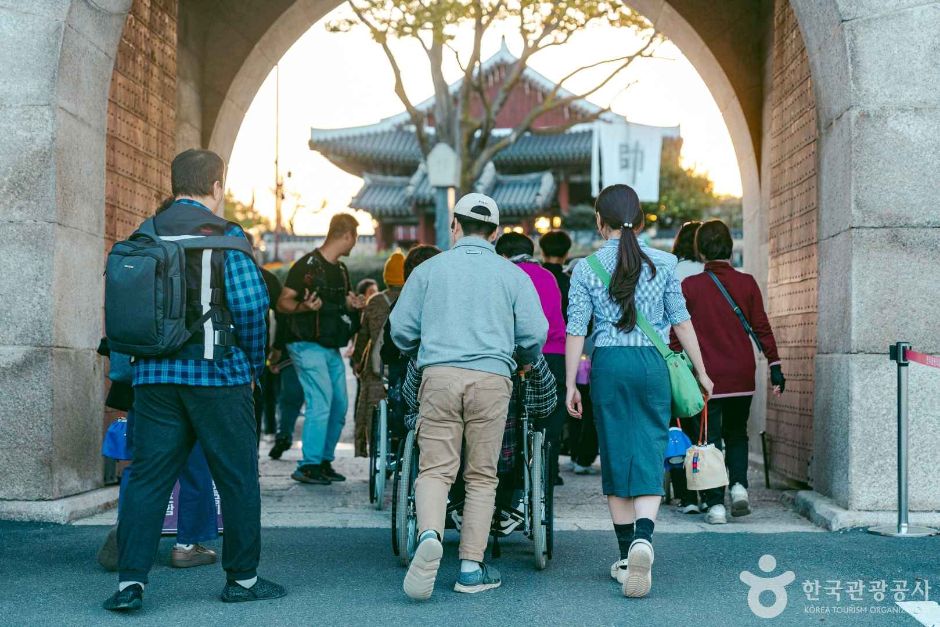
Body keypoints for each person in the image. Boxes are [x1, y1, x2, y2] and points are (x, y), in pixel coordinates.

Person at [103, 149, 284, 612]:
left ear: (174, 182)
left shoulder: (146, 233)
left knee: (147, 479)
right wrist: (252, 365)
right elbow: (249, 307)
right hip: (218, 376)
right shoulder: (227, 237)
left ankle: (131, 583)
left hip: (155, 378)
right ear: (217, 187)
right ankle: (242, 580)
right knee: (238, 477)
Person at [391, 193, 547, 600]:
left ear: (454, 226)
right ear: (495, 233)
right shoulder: (513, 276)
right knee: (481, 476)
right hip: (492, 379)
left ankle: (429, 534)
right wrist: (521, 358)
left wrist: (423, 351)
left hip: (439, 376)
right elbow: (534, 335)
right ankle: (471, 568)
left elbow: (400, 330)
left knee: (435, 471)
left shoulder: (428, 270)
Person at [565, 184, 712, 599]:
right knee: (649, 448)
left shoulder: (586, 267)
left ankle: (626, 555)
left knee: (615, 452)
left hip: (609, 365)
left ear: (600, 220)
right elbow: (681, 322)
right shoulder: (664, 263)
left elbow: (578, 327)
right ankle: (644, 539)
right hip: (653, 364)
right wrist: (701, 371)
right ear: (642, 220)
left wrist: (571, 381)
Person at [669, 219, 784, 524]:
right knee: (738, 434)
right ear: (730, 249)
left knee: (710, 439)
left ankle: (715, 503)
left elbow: (676, 333)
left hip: (707, 377)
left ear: (700, 250)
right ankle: (740, 488)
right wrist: (775, 365)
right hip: (741, 373)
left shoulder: (689, 287)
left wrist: (675, 362)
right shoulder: (747, 283)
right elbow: (762, 328)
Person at [277, 213, 365, 485]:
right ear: (347, 234)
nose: (354, 244)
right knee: (321, 400)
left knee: (339, 403)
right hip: (305, 343)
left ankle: (323, 460)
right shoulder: (307, 266)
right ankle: (309, 465)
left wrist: (352, 304)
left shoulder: (340, 270)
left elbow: (339, 306)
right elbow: (283, 302)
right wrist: (304, 307)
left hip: (329, 345)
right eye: (355, 238)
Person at [496, 232, 567, 486]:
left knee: (512, 414)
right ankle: (548, 470)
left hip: (518, 355)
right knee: (549, 416)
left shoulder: (504, 275)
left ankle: (511, 475)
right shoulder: (547, 276)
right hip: (555, 352)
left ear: (502, 255)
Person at [351, 252, 405, 457]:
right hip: (405, 366)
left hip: (377, 368)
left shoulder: (374, 302)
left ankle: (373, 448)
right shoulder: (413, 299)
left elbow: (363, 336)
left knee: (373, 411)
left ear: (386, 277)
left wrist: (357, 360)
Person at [538, 230, 572, 321]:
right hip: (565, 333)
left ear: (542, 252)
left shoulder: (530, 278)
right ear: (566, 254)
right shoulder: (571, 282)